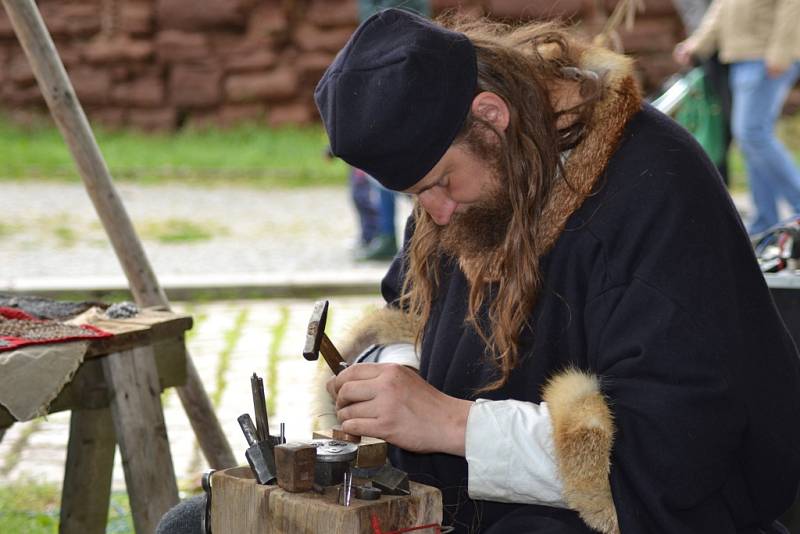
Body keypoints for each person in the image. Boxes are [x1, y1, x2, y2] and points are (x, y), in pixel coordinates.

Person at [314, 8, 800, 533]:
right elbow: (407, 308)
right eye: (415, 195)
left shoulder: (654, 191)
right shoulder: (477, 181)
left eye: (440, 183)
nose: (436, 214)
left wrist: (452, 424)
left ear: (491, 116)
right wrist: (397, 374)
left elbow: (672, 456)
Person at [674, 0, 800, 235]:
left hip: (765, 57)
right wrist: (697, 44)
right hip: (742, 59)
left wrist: (781, 53)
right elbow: (722, 8)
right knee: (752, 140)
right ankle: (765, 223)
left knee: (752, 134)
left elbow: (792, 5)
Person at [670, 0, 733, 184]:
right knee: (710, 121)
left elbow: (716, 14)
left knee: (722, 122)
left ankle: (718, 182)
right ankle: (715, 181)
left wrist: (696, 44)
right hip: (702, 50)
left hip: (719, 51)